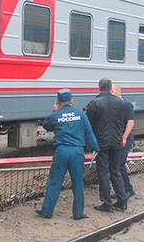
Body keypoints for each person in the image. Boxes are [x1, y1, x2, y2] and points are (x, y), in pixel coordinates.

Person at [37, 89, 100, 220]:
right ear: (71, 101)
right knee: (78, 183)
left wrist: (55, 111)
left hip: (61, 151)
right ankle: (78, 213)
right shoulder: (80, 114)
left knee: (54, 182)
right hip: (77, 152)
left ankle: (47, 211)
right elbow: (89, 132)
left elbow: (46, 126)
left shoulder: (56, 115)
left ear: (58, 102)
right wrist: (95, 148)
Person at [85, 78, 128, 212]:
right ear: (110, 88)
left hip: (101, 143)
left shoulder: (95, 103)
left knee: (103, 172)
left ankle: (107, 203)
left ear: (99, 88)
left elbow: (89, 123)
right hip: (116, 141)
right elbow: (123, 120)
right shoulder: (121, 102)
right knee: (115, 170)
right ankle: (122, 201)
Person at [112, 84, 136, 198]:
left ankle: (128, 189)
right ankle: (120, 191)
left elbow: (130, 122)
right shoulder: (114, 105)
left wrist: (124, 137)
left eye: (111, 91)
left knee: (120, 164)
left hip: (124, 138)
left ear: (117, 92)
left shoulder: (126, 105)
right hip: (117, 137)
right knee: (116, 165)